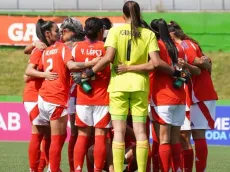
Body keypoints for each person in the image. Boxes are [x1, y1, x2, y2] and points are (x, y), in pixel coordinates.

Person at [82, 2, 175, 171]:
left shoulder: (115, 31)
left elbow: (108, 58)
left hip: (118, 86)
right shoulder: (148, 34)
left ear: (123, 14)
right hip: (140, 86)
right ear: (139, 14)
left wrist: (89, 73)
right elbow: (155, 63)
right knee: (141, 133)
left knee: (119, 132)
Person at [25, 18, 100, 172]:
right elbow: (71, 65)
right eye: (56, 31)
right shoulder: (61, 48)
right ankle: (53, 169)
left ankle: (36, 169)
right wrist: (91, 63)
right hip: (54, 97)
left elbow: (29, 57)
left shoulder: (44, 49)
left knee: (41, 135)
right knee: (57, 138)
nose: (60, 33)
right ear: (47, 33)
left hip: (42, 97)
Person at [168, 22, 218, 172]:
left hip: (199, 95)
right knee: (183, 136)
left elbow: (197, 63)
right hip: (189, 96)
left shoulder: (186, 44)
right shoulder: (182, 45)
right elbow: (203, 62)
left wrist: (204, 62)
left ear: (171, 34)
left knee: (198, 134)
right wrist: (206, 62)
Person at [72, 17, 111, 172]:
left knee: (82, 136)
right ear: (101, 31)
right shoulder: (106, 47)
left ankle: (77, 169)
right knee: (101, 136)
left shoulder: (77, 47)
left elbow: (71, 68)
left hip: (83, 97)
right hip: (102, 98)